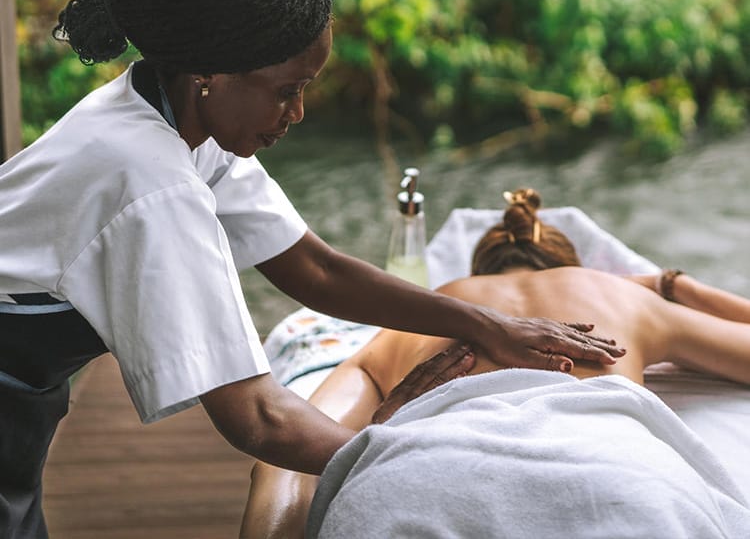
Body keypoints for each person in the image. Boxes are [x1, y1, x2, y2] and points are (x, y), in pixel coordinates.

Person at [0, 0, 624, 539]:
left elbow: (314, 266)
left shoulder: (173, 114)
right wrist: (420, 455)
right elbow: (256, 416)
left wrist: (490, 324)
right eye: (286, 91)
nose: (295, 115)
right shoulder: (151, 181)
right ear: (211, 71)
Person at [242, 188, 750, 539]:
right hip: (614, 475)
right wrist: (671, 285)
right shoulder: (617, 295)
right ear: (569, 264)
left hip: (419, 478)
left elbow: (282, 460)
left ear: (477, 273)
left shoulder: (410, 317)